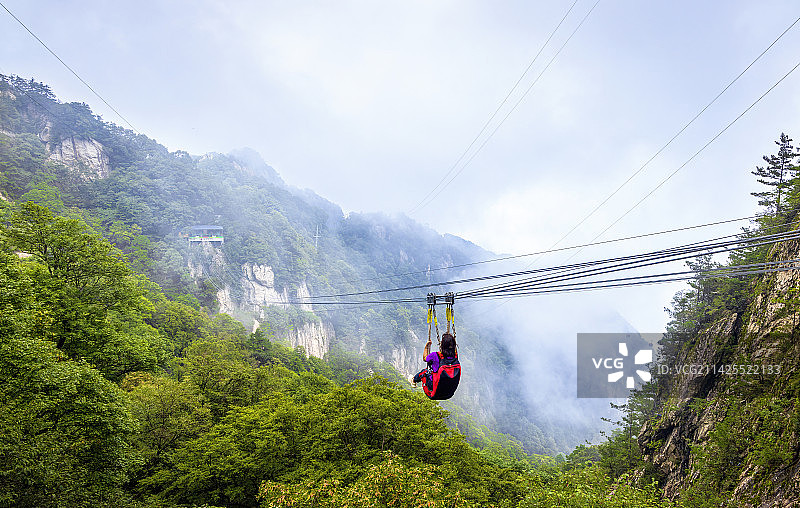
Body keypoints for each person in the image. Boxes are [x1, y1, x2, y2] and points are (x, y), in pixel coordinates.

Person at [412, 332, 461, 400]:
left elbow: (425, 358)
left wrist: (426, 347)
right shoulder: (455, 356)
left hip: (434, 391)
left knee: (424, 372)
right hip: (448, 393)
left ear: (442, 345)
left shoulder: (435, 355)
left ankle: (413, 381)